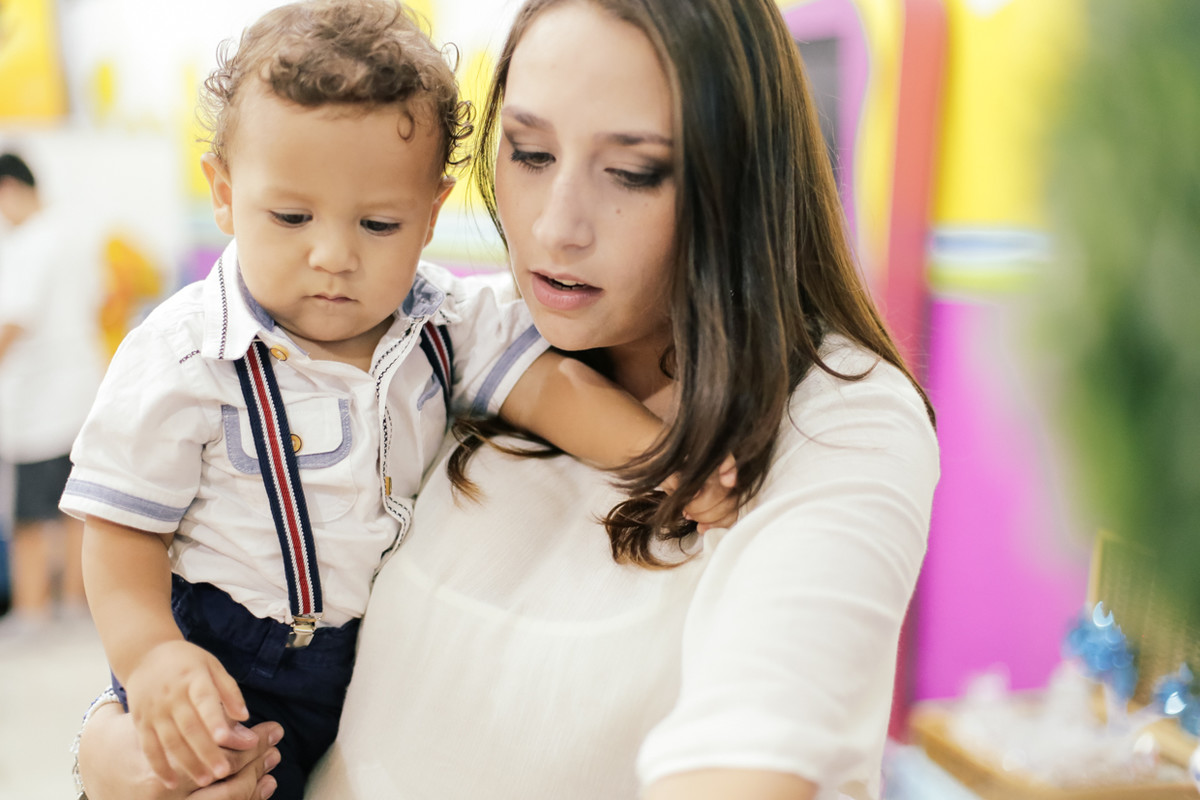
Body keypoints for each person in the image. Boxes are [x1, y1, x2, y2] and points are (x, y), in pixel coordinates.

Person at [74, 0, 939, 798]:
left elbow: (756, 753)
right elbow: (156, 565)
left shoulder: (837, 423)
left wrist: (670, 464)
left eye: (634, 172)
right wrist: (107, 755)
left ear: (738, 181)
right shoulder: (436, 333)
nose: (556, 226)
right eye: (529, 154)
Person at [0, 152, 103, 640]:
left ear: (10, 190)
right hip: (79, 389)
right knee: (75, 507)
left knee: (29, 517)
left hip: (40, 402)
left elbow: (13, 323)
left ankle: (31, 610)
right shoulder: (72, 236)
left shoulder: (30, 243)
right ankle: (72, 602)